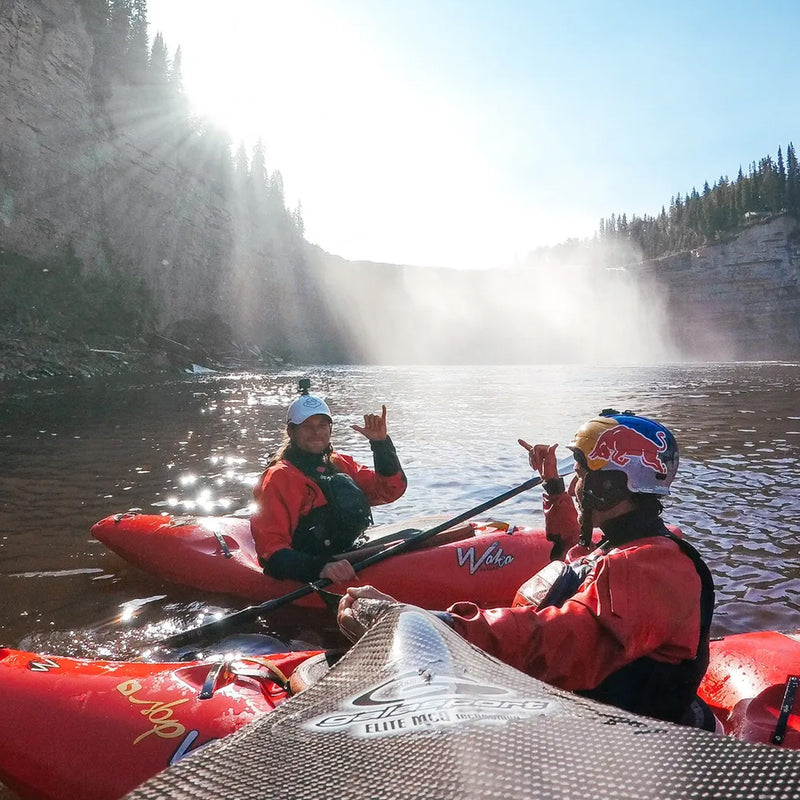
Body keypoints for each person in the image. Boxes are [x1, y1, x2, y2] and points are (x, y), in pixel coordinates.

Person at [338, 409, 716, 728]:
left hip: (630, 741)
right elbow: (574, 555)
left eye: (581, 474)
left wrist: (428, 624)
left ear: (611, 486)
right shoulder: (626, 546)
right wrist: (552, 486)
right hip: (592, 717)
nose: (575, 485)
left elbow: (556, 642)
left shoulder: (652, 568)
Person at [250, 381, 407, 586]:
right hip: (310, 568)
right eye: (307, 426)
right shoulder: (278, 478)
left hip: (349, 553)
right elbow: (270, 552)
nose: (316, 432)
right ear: (291, 431)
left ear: (330, 429)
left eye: (322, 425)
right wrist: (320, 568)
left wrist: (381, 445)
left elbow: (389, 491)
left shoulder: (339, 463)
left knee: (411, 538)